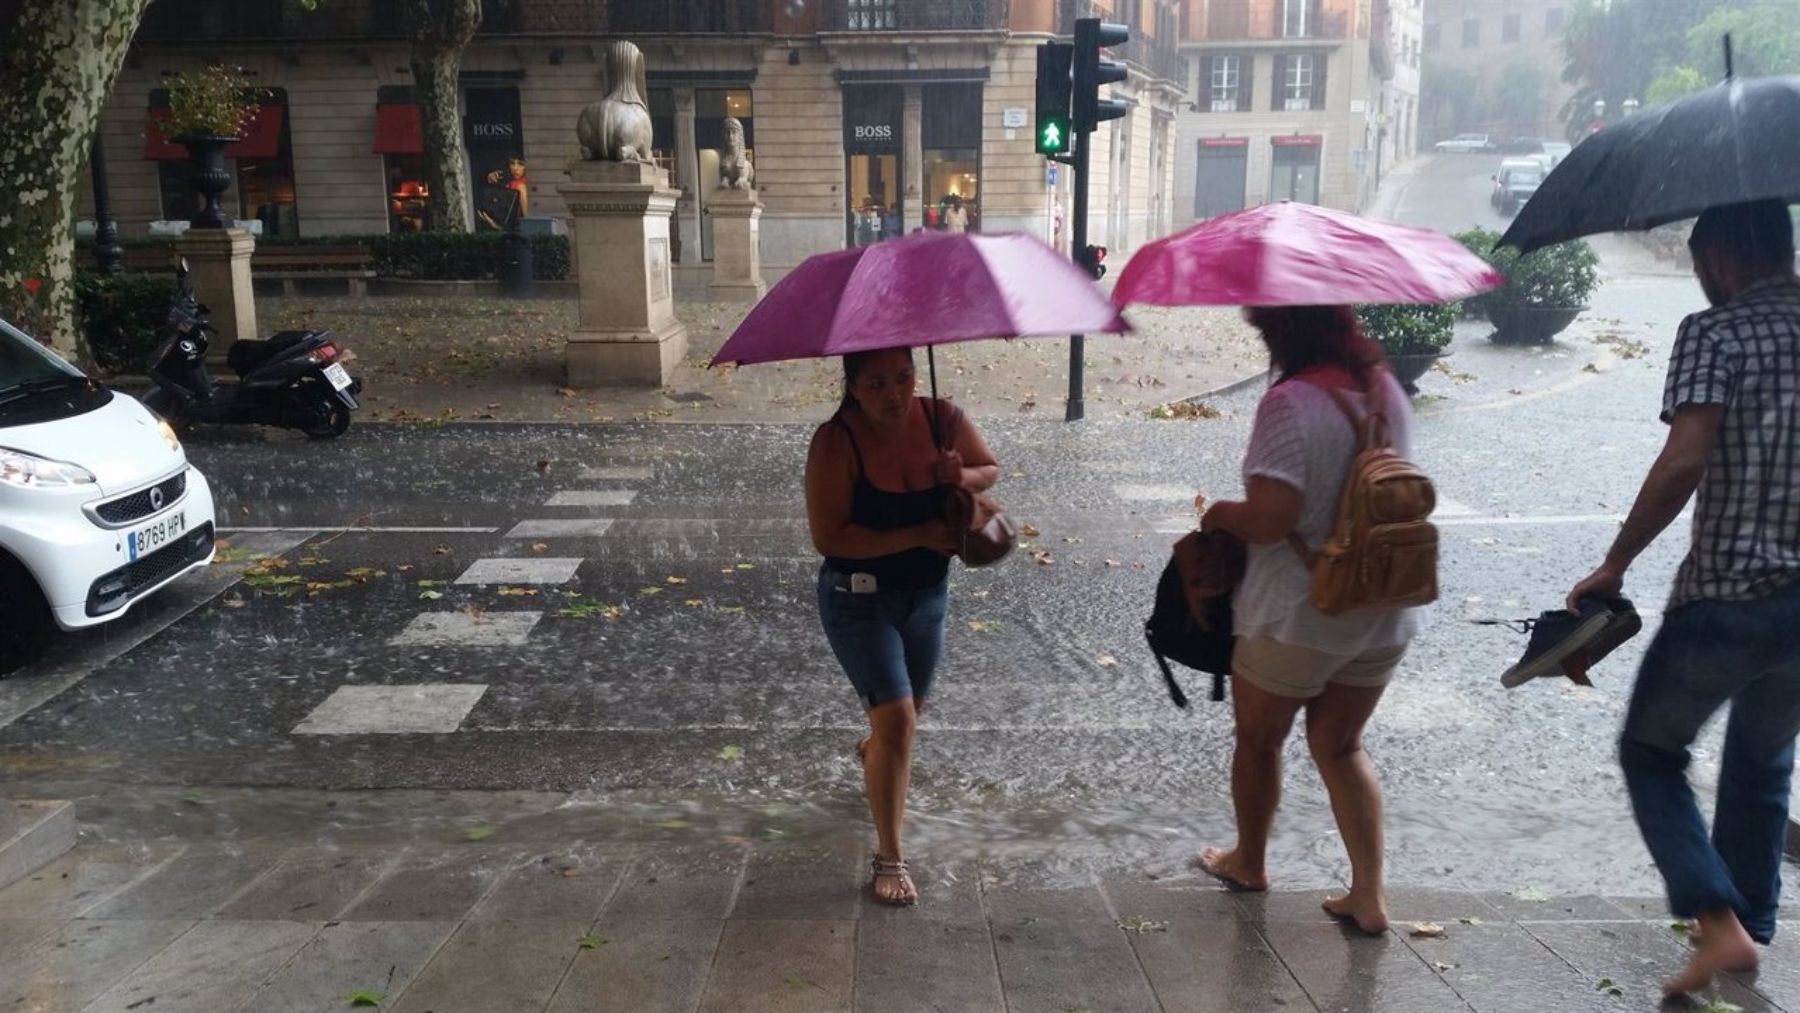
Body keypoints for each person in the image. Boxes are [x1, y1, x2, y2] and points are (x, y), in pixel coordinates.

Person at [1565, 199, 1800, 998]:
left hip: (1732, 591)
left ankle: (1721, 925)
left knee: (1651, 751)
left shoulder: (1716, 333)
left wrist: (1616, 562)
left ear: (1727, 255)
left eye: (1702, 262)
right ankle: (1742, 932)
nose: (1701, 279)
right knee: (1763, 762)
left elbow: (1685, 456)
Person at [1196, 305, 1423, 935]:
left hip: (1299, 613)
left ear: (1283, 331)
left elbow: (1273, 516)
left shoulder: (1290, 402)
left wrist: (1218, 514)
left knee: (1260, 740)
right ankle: (1369, 896)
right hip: (1382, 605)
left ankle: (1248, 861)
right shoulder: (1385, 389)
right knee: (1342, 745)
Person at [804, 348, 999, 905]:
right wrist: (913, 537)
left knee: (909, 714)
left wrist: (958, 471)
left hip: (929, 596)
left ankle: (875, 751)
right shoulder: (835, 442)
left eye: (904, 378)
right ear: (852, 385)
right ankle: (890, 855)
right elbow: (830, 537)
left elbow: (991, 468)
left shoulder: (942, 418)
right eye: (877, 383)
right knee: (899, 719)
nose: (894, 394)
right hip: (857, 599)